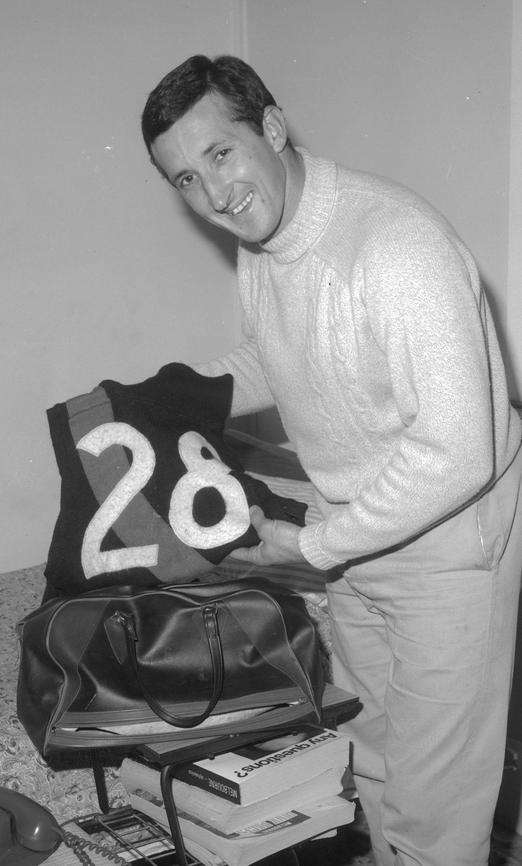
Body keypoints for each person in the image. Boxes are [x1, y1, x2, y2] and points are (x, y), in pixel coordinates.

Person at [141, 54, 522, 866]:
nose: (213, 196)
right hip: (353, 532)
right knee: (374, 766)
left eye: (220, 155)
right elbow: (273, 355)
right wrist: (167, 395)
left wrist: (311, 548)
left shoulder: (394, 245)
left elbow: (459, 453)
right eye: (184, 179)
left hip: (449, 537)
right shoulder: (267, 238)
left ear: (272, 128)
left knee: (435, 807)